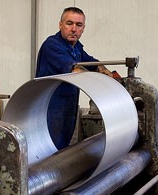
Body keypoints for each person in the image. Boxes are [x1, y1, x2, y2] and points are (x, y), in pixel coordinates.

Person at [35, 6, 112, 150]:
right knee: (49, 151)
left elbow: (92, 63)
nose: (74, 29)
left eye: (79, 25)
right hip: (50, 108)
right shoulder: (52, 45)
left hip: (68, 107)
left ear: (83, 28)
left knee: (63, 150)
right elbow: (76, 69)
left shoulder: (76, 48)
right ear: (60, 25)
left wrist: (112, 77)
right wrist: (101, 86)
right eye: (69, 23)